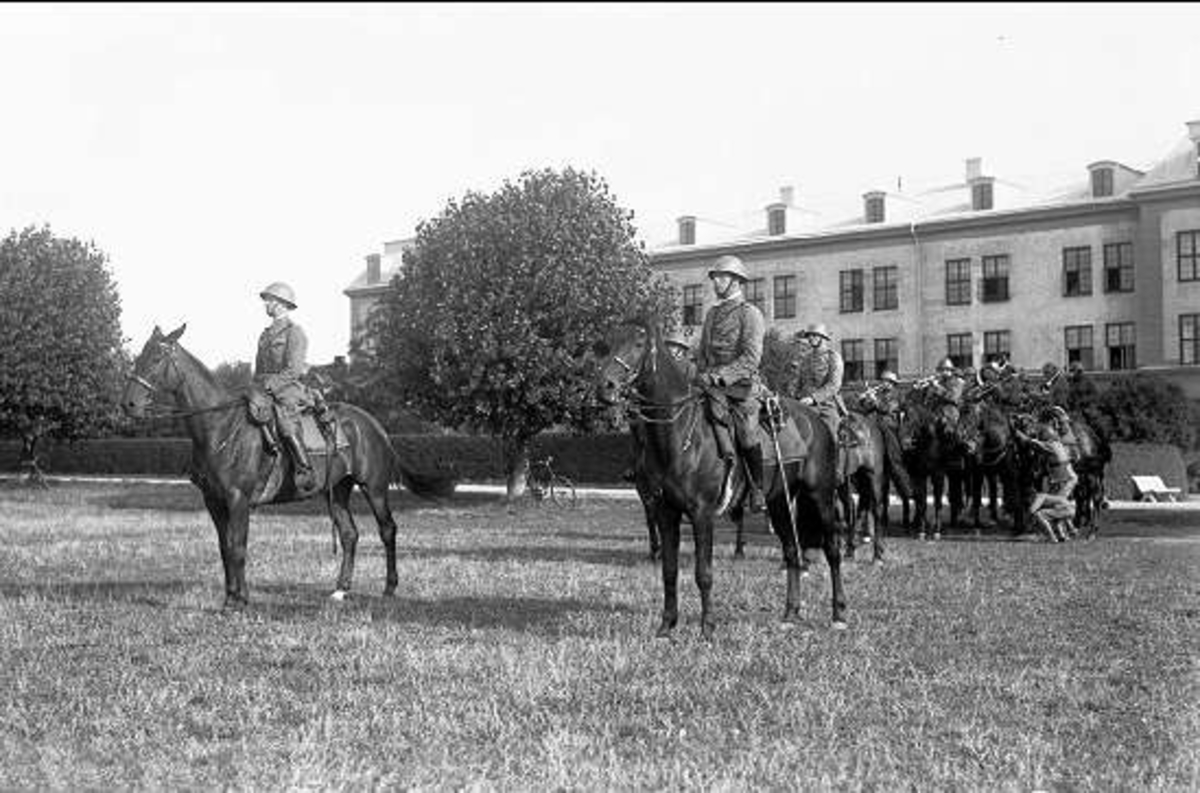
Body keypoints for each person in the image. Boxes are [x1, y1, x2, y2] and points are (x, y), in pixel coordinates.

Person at [695, 254, 767, 514]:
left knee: (747, 434)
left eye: (721, 277)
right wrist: (700, 374)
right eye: (715, 278)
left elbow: (751, 358)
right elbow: (703, 352)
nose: (716, 282)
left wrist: (720, 376)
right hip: (710, 384)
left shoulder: (750, 314)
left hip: (740, 386)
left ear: (736, 281)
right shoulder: (712, 314)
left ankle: (757, 488)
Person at [254, 281, 316, 490]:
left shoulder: (295, 332)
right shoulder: (264, 334)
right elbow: (258, 369)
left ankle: (304, 468)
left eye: (269, 300)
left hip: (287, 389)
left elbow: (294, 370)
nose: (265, 304)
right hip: (263, 388)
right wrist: (255, 388)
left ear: (281, 303)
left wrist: (270, 385)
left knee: (284, 417)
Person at [1015, 423, 1078, 542]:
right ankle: (1064, 533)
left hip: (1064, 480)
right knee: (1057, 505)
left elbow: (1031, 442)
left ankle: (1067, 531)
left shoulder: (1050, 446)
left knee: (1057, 506)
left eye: (1041, 436)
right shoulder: (1058, 443)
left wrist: (1018, 433)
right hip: (1064, 479)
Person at [791, 322, 847, 444]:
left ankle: (835, 454)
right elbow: (798, 383)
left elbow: (834, 384)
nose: (811, 338)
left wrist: (813, 398)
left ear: (822, 338)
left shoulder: (833, 357)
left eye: (814, 335)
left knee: (831, 432)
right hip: (803, 403)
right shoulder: (805, 359)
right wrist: (793, 396)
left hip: (825, 404)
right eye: (809, 336)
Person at [926, 357, 965, 442]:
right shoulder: (939, 381)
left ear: (951, 371)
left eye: (946, 370)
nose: (943, 372)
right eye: (941, 370)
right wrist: (930, 388)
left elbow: (953, 397)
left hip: (951, 414)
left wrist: (937, 387)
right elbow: (928, 401)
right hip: (936, 414)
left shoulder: (958, 382)